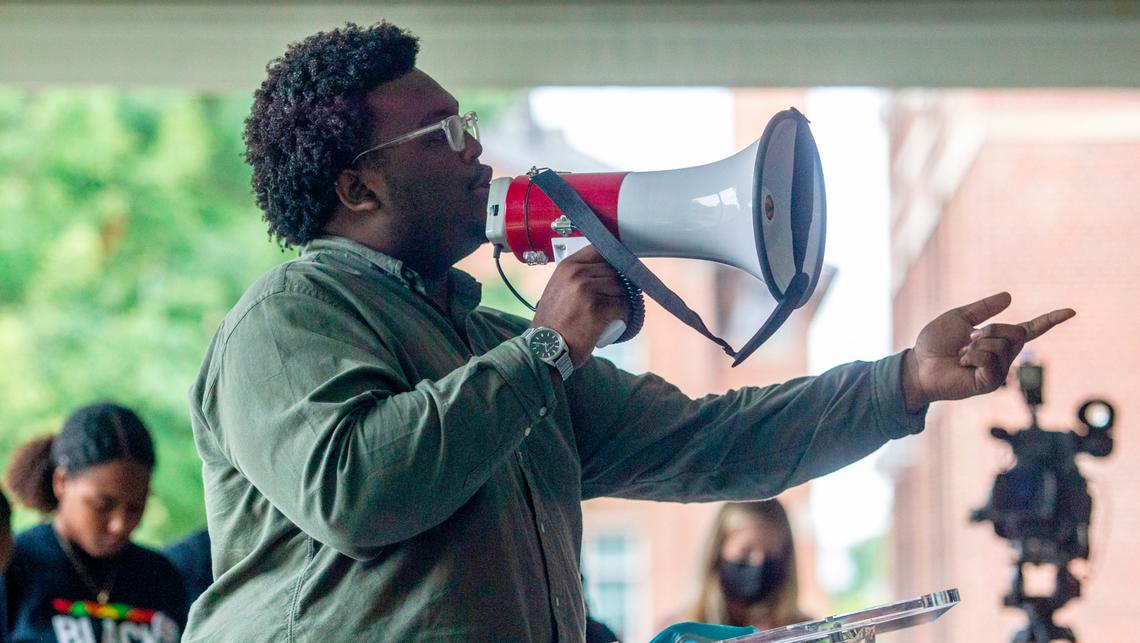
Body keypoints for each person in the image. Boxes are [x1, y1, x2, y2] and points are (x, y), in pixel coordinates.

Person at [183, 21, 1074, 641]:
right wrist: (546, 348)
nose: (474, 150)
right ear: (357, 189)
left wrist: (903, 382)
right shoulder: (288, 318)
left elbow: (715, 444)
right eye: (445, 133)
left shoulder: (482, 343)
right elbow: (355, 490)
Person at [3, 402, 187, 643]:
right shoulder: (12, 565)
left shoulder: (162, 577)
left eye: (136, 506)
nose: (120, 525)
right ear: (62, 482)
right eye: (102, 506)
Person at [687, 499, 810, 629]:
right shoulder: (682, 634)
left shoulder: (805, 632)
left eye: (770, 553)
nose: (758, 562)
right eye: (744, 551)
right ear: (717, 550)